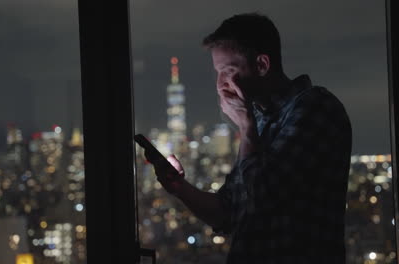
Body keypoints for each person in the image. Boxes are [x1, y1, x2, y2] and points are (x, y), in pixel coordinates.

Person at [151, 13, 352, 264]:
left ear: (262, 65)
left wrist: (246, 128)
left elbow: (266, 199)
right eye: (217, 73)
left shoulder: (315, 108)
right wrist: (180, 188)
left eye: (228, 71)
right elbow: (228, 212)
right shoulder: (261, 122)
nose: (220, 84)